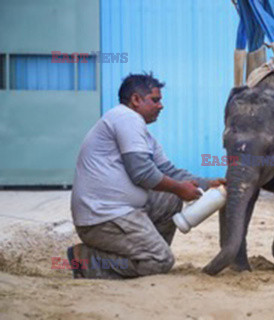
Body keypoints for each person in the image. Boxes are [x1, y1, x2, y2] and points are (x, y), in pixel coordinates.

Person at [68, 73, 226, 279]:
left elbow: (169, 171)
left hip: (120, 212)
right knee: (162, 261)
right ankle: (87, 260)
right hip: (103, 218)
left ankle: (145, 252)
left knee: (170, 198)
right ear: (135, 100)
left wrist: (207, 183)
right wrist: (180, 189)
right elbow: (142, 173)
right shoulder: (125, 117)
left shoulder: (144, 135)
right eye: (155, 100)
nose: (161, 106)